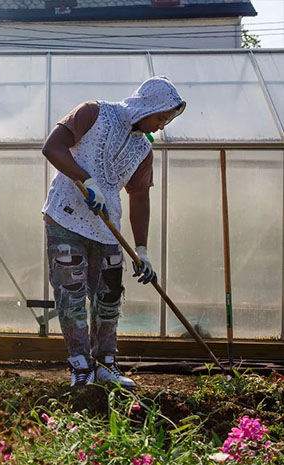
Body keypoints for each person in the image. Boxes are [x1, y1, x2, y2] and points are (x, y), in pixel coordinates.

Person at [41, 76, 185, 388]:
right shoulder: (93, 113)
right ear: (147, 106)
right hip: (65, 219)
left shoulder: (143, 149)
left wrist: (142, 250)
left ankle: (106, 363)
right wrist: (86, 180)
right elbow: (52, 147)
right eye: (161, 117)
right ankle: (80, 365)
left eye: (167, 120)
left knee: (108, 297)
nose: (161, 125)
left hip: (107, 228)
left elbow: (140, 196)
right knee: (72, 295)